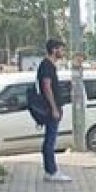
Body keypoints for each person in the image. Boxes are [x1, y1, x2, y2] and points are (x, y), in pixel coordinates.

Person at [37, 39, 72, 182]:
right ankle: (52, 171)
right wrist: (54, 108)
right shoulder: (47, 66)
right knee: (50, 140)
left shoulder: (49, 65)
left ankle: (49, 170)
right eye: (61, 50)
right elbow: (47, 87)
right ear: (54, 50)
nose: (62, 52)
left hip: (53, 107)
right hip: (51, 109)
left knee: (50, 139)